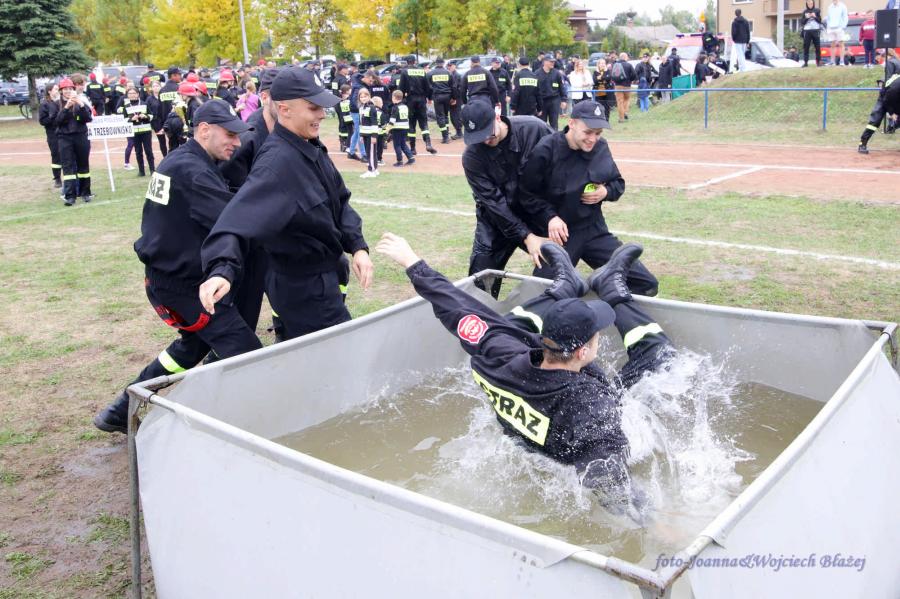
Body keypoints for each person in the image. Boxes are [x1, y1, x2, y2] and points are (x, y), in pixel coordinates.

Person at [376, 233, 670, 519]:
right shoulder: (591, 407)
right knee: (661, 356)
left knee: (506, 327)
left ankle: (564, 288)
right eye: (596, 335)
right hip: (569, 426)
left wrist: (413, 263)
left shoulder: (499, 356)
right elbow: (607, 479)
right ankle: (615, 292)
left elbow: (455, 306)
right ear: (582, 351)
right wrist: (654, 523)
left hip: (529, 431)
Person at [93, 101, 261, 434]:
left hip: (171, 276)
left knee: (192, 346)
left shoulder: (183, 161)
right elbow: (235, 218)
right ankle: (243, 425)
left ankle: (119, 411)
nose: (237, 142)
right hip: (182, 284)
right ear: (204, 130)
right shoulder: (192, 171)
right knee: (246, 353)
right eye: (230, 134)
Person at [199, 67, 374, 341]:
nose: (322, 114)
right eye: (313, 107)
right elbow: (237, 222)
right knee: (341, 351)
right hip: (302, 288)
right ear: (285, 109)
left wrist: (357, 246)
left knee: (315, 356)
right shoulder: (276, 164)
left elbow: (339, 199)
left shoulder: (310, 146)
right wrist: (222, 270)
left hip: (323, 276)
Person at [517, 101, 658, 297]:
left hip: (594, 230)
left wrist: (605, 192)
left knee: (646, 284)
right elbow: (526, 194)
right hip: (561, 235)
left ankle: (603, 300)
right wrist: (550, 217)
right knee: (542, 292)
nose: (593, 139)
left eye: (598, 133)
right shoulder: (546, 149)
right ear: (572, 123)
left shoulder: (601, 147)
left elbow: (618, 183)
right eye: (588, 132)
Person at [460, 99, 553, 298]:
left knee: (554, 266)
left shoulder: (534, 129)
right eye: (478, 137)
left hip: (536, 213)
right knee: (480, 284)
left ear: (497, 116)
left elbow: (561, 163)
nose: (486, 140)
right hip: (496, 220)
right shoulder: (472, 157)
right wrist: (527, 237)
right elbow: (495, 204)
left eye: (489, 133)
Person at [55, 76, 93, 206]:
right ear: (61, 91)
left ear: (73, 89)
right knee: (68, 167)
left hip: (81, 136)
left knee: (83, 165)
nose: (67, 91)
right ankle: (70, 196)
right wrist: (66, 107)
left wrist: (81, 105)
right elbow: (57, 121)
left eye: (70, 89)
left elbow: (88, 118)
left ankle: (85, 193)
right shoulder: (57, 104)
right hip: (64, 138)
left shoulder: (80, 101)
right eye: (65, 89)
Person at [858, 53, 900, 154]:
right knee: (875, 121)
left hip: (895, 97)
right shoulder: (893, 64)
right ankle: (862, 144)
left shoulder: (893, 62)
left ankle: (893, 125)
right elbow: (887, 98)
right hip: (886, 96)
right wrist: (892, 113)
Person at [400, 55, 438, 155]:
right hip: (421, 100)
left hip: (410, 100)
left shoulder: (404, 72)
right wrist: (429, 98)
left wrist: (402, 100)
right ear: (415, 61)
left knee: (411, 124)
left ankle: (413, 148)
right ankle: (428, 143)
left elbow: (401, 88)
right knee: (424, 122)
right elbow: (428, 87)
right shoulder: (421, 71)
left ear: (407, 62)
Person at [118, 87, 156, 177]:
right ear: (127, 95)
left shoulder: (144, 103)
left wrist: (145, 116)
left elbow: (151, 116)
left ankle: (152, 170)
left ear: (138, 94)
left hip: (146, 131)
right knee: (138, 152)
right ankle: (141, 171)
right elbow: (124, 119)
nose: (132, 95)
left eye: (134, 93)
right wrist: (131, 119)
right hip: (134, 132)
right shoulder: (126, 106)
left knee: (148, 151)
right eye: (130, 94)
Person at [38, 83, 62, 189]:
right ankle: (57, 179)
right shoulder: (45, 104)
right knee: (56, 156)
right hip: (53, 134)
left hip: (64, 132)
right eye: (56, 89)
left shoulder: (61, 102)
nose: (58, 91)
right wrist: (51, 118)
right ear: (49, 91)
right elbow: (42, 121)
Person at [536, 55, 567, 130]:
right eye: (551, 61)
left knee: (554, 123)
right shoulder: (537, 73)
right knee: (541, 123)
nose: (553, 63)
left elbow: (561, 87)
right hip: (542, 101)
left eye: (553, 61)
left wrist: (564, 100)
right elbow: (534, 89)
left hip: (554, 101)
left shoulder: (557, 73)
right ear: (545, 62)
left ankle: (554, 136)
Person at [427, 58, 453, 143]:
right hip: (447, 96)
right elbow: (452, 86)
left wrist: (429, 98)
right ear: (443, 63)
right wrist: (453, 97)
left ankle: (445, 137)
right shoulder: (448, 73)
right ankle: (447, 133)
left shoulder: (430, 73)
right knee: (445, 115)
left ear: (436, 63)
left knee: (440, 116)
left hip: (437, 96)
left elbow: (428, 87)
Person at [387, 89, 414, 166]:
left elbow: (392, 120)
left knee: (397, 145)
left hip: (397, 129)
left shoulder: (395, 107)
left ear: (394, 97)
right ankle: (411, 158)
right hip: (405, 128)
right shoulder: (405, 106)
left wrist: (387, 129)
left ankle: (400, 161)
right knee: (403, 144)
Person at [358, 87, 381, 178]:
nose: (363, 98)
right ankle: (375, 169)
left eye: (365, 96)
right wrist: (361, 135)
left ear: (369, 96)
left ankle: (371, 170)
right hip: (365, 134)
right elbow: (361, 122)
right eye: (361, 97)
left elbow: (374, 123)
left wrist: (374, 136)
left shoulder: (372, 108)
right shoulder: (361, 108)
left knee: (371, 153)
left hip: (371, 135)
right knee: (369, 152)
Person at [159, 67, 183, 151]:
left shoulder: (162, 90)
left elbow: (160, 109)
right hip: (180, 121)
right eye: (179, 74)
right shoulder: (179, 88)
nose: (180, 76)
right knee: (183, 146)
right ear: (173, 75)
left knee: (172, 146)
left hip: (167, 123)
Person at [610, 52, 636, 122]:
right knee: (627, 99)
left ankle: (621, 119)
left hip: (618, 86)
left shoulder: (615, 65)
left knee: (620, 102)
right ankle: (625, 112)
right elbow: (634, 75)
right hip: (627, 86)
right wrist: (630, 80)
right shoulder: (629, 65)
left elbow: (612, 75)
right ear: (625, 57)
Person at [146, 81, 167, 157]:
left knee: (172, 140)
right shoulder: (149, 99)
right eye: (154, 86)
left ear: (160, 87)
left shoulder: (165, 96)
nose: (155, 88)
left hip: (166, 120)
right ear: (151, 88)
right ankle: (165, 157)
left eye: (157, 86)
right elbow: (147, 110)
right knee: (162, 141)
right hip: (157, 122)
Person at [800, 0, 823, 67]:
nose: (810, 4)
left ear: (813, 3)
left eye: (811, 3)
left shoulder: (817, 10)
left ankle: (818, 62)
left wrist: (814, 16)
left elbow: (820, 20)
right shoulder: (804, 11)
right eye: (808, 3)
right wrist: (807, 18)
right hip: (807, 31)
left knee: (817, 46)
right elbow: (802, 22)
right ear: (807, 4)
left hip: (815, 30)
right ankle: (805, 62)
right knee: (806, 47)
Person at [825, 0, 848, 66]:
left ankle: (841, 61)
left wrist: (843, 27)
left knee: (841, 44)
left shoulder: (842, 6)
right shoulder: (830, 7)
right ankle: (832, 61)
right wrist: (828, 27)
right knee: (832, 45)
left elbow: (845, 17)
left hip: (839, 28)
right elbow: (828, 18)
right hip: (831, 28)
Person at [448, 61, 465, 139]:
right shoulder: (451, 74)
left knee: (456, 116)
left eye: (451, 66)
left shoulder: (456, 75)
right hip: (453, 98)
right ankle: (458, 132)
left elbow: (455, 88)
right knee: (453, 116)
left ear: (454, 66)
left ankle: (459, 133)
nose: (449, 67)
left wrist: (453, 98)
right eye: (448, 66)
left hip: (456, 99)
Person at [336, 83, 354, 153]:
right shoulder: (349, 99)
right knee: (350, 132)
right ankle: (347, 145)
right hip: (349, 118)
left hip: (343, 117)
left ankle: (343, 144)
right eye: (350, 89)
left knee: (346, 131)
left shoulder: (340, 99)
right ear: (347, 91)